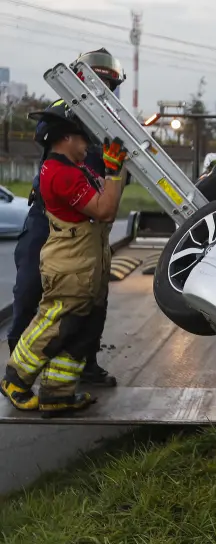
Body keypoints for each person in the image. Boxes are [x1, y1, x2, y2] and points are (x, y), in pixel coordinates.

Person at [8, 48, 126, 387]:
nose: (103, 88)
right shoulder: (64, 111)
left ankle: (80, 369)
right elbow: (44, 128)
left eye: (108, 83)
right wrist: (77, 116)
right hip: (48, 220)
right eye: (97, 81)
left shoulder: (114, 124)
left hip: (89, 226)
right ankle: (21, 367)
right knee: (30, 290)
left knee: (90, 300)